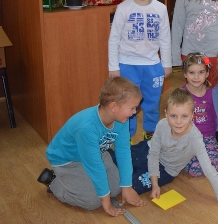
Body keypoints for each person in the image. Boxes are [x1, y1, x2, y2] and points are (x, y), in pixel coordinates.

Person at [124, 89, 218, 210]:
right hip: (147, 150)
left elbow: (208, 168)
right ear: (166, 114)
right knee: (120, 160)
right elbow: (154, 154)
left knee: (132, 186)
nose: (178, 122)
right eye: (173, 116)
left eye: (184, 116)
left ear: (192, 116)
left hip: (167, 170)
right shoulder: (162, 124)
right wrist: (155, 183)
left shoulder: (195, 137)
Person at [39, 77, 146, 216]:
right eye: (132, 108)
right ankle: (53, 181)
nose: (135, 112)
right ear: (114, 106)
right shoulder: (86, 127)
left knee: (116, 188)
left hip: (97, 152)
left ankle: (81, 182)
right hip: (68, 161)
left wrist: (127, 187)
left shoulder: (122, 120)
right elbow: (94, 166)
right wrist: (106, 202)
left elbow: (124, 152)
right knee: (93, 202)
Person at [108, 0, 171, 139]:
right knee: (127, 102)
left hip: (153, 65)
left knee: (152, 102)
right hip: (127, 64)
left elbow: (165, 38)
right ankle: (126, 135)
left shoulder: (160, 9)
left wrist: (166, 63)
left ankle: (150, 132)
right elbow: (114, 39)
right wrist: (113, 66)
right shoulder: (123, 8)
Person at [180, 53, 218, 176]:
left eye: (201, 72)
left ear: (207, 73)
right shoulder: (181, 94)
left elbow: (216, 117)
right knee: (195, 169)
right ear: (185, 74)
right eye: (191, 72)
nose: (196, 77)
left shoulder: (212, 93)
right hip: (187, 138)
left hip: (208, 137)